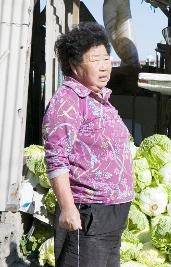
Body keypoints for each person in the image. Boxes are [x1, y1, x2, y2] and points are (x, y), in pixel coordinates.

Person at [42, 22, 134, 267]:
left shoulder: (100, 100)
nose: (105, 66)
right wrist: (67, 208)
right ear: (74, 65)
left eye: (106, 58)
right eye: (95, 60)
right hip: (88, 213)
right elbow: (55, 158)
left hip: (110, 214)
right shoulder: (68, 101)